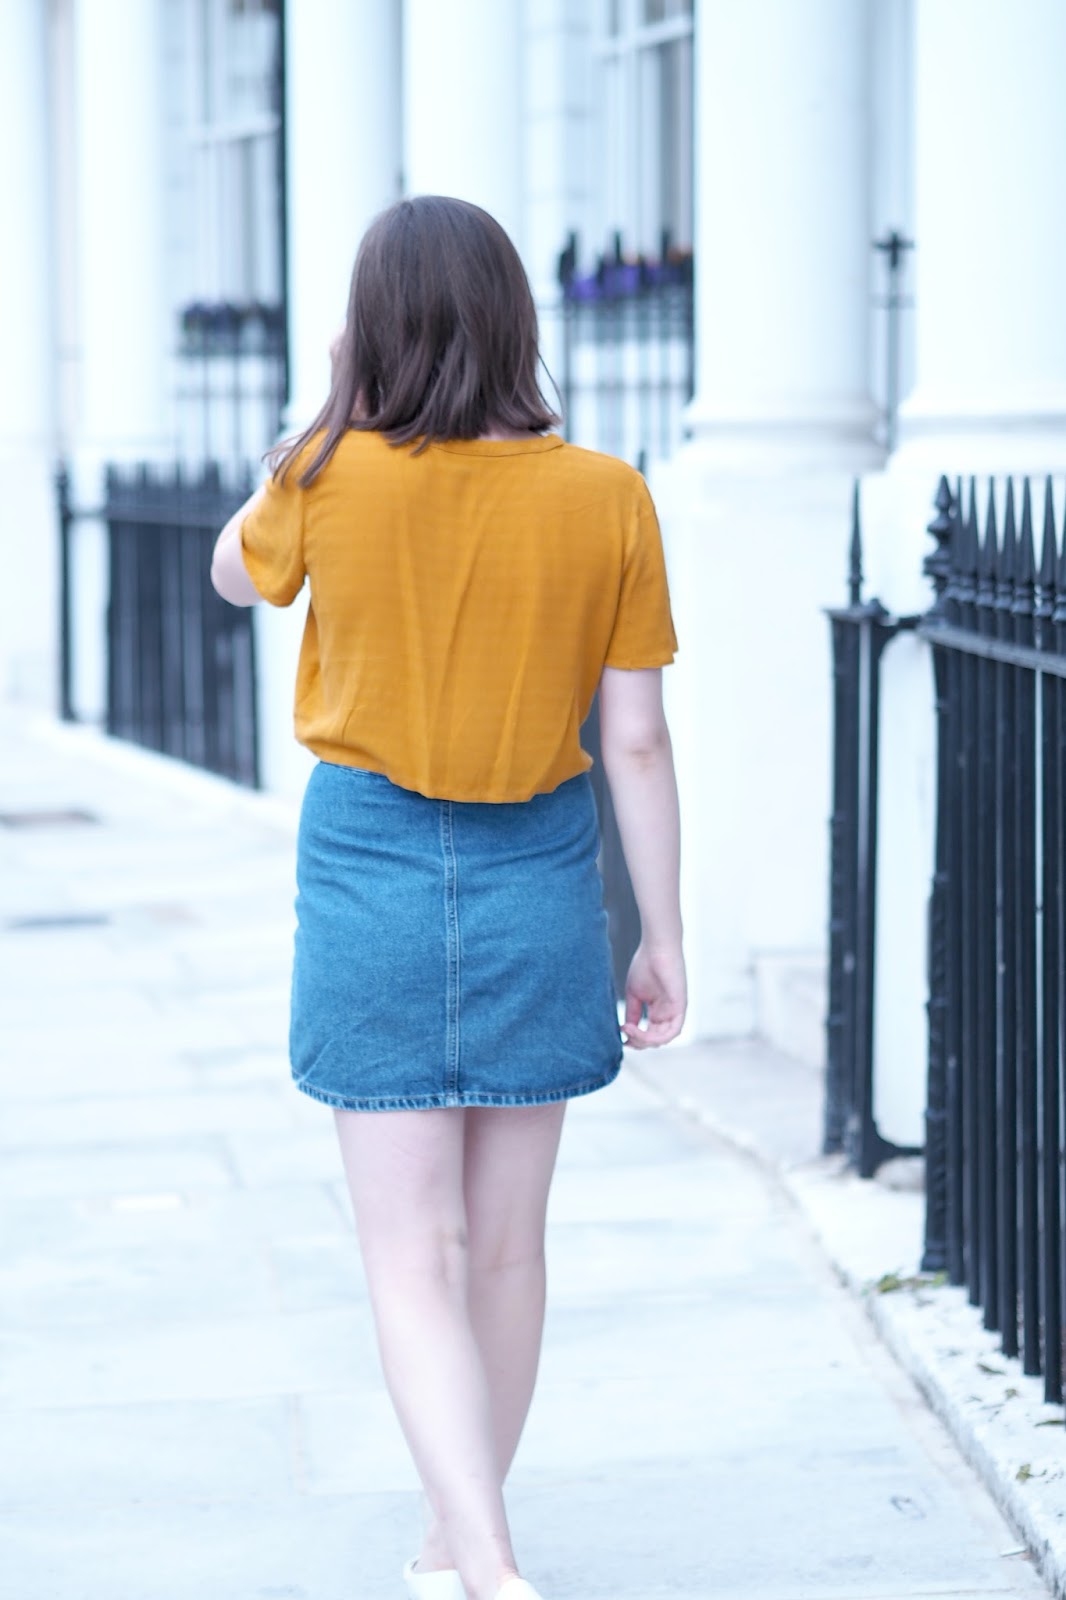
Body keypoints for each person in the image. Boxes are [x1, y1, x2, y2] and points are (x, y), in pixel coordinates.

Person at [211, 195, 686, 1600]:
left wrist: (328, 413)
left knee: (410, 1252)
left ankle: (475, 1557)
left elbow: (232, 574)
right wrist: (660, 933)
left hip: (368, 863)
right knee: (506, 1252)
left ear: (372, 329)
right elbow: (638, 743)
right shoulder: (606, 495)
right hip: (541, 867)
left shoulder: (326, 474)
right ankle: (466, 1544)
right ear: (513, 320)